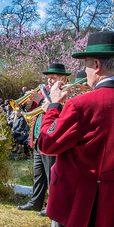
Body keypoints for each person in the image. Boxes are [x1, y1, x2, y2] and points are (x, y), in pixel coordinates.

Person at [38, 31, 114, 227]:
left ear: (97, 65)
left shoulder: (80, 104)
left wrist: (53, 106)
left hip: (76, 200)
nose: (86, 72)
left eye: (86, 65)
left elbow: (47, 143)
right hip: (110, 201)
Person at [17, 63, 71, 217]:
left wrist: (41, 100)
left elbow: (58, 112)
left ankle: (52, 206)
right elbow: (34, 111)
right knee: (38, 173)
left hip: (51, 139)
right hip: (39, 137)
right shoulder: (46, 91)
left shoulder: (65, 93)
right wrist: (29, 102)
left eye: (53, 78)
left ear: (63, 78)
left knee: (51, 174)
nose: (50, 82)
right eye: (49, 79)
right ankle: (36, 202)